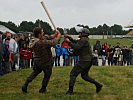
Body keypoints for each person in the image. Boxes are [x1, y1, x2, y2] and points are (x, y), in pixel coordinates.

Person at [22, 27, 61, 93]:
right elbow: (53, 42)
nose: (43, 33)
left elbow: (47, 37)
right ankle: (43, 89)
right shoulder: (40, 42)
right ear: (39, 34)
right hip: (45, 61)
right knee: (47, 74)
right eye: (42, 32)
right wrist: (58, 37)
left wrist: (54, 35)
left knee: (34, 73)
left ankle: (25, 85)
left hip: (37, 61)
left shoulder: (35, 40)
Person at [65, 27, 102, 95]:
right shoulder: (84, 39)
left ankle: (70, 91)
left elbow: (77, 46)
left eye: (81, 32)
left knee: (73, 74)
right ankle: (98, 85)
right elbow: (77, 42)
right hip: (88, 60)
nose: (79, 33)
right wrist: (70, 38)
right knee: (84, 76)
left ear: (83, 33)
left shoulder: (83, 40)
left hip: (84, 60)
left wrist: (69, 42)